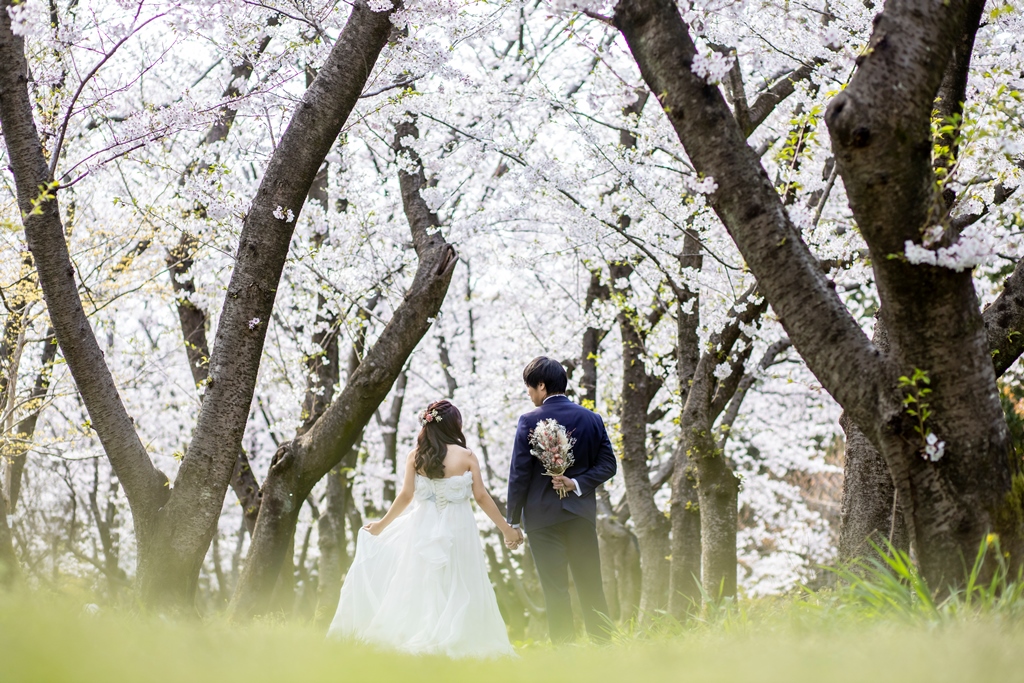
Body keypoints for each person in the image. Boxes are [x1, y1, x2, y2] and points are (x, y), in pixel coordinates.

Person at [327, 400, 518, 659]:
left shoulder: (415, 456)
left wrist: (382, 525)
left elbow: (406, 496)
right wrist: (506, 529)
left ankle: (420, 631)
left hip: (423, 528)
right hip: (459, 527)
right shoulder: (466, 456)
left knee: (421, 581)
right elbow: (481, 497)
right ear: (454, 426)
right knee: (460, 580)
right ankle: (457, 635)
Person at [505, 356, 617, 643]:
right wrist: (577, 483)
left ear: (541, 385)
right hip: (580, 515)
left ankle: (565, 655)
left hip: (541, 519)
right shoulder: (591, 419)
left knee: (555, 589)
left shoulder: (529, 420)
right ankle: (604, 646)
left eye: (529, 387)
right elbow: (608, 466)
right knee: (591, 584)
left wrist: (512, 521)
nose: (529, 394)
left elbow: (519, 473)